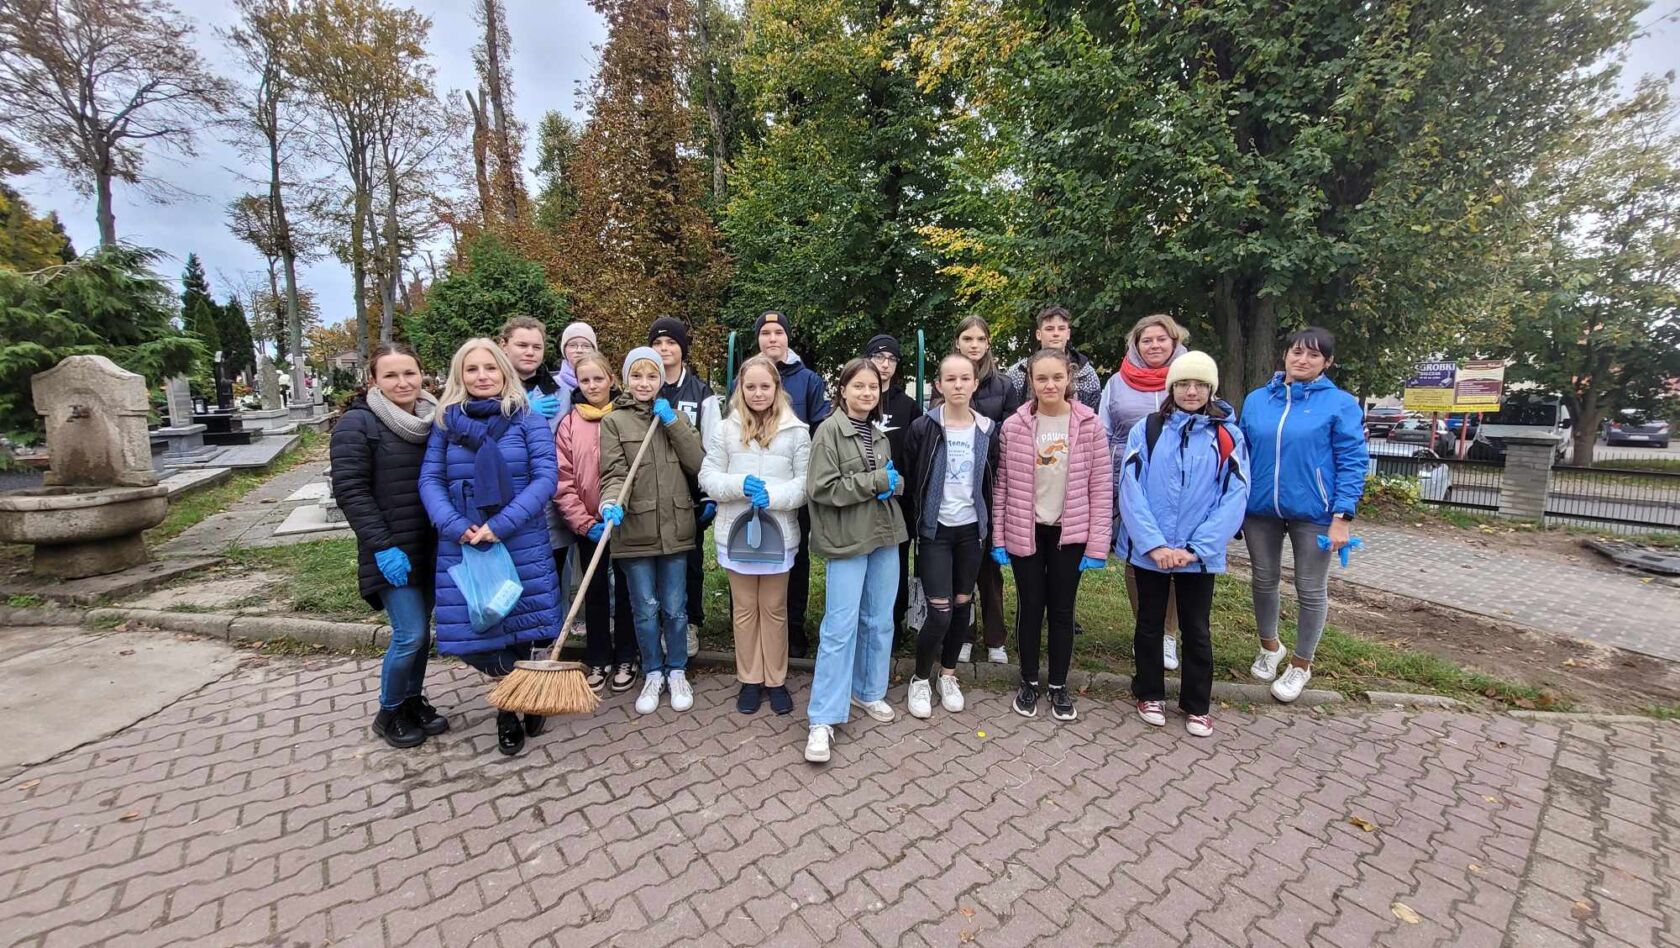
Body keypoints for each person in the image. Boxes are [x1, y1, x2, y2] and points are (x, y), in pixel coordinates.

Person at [419, 338, 562, 757]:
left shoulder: (527, 419)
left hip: (519, 537)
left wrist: (501, 525)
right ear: (459, 376)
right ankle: (518, 690)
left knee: (523, 625)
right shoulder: (445, 424)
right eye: (472, 369)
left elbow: (545, 477)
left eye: (490, 368)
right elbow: (430, 480)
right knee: (477, 633)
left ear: (504, 372)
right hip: (465, 540)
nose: (482, 376)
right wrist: (455, 525)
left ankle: (514, 707)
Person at [1117, 352, 1249, 738]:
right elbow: (1130, 487)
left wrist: (1196, 548)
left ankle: (1196, 704)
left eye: (1200, 385)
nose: (1191, 391)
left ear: (1211, 389)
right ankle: (1149, 693)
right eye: (1183, 384)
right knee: (1149, 624)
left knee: (1196, 629)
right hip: (1151, 552)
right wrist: (1154, 544)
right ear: (1171, 388)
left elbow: (1235, 495)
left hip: (1199, 556)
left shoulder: (1228, 436)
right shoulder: (1148, 429)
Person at [1239, 327, 1368, 703]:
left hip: (1316, 512)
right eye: (1297, 352)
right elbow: (1241, 453)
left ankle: (1300, 664)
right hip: (1260, 508)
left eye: (1314, 355)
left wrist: (1342, 516)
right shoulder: (1258, 400)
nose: (1303, 360)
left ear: (1327, 362)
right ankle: (1270, 647)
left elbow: (1353, 460)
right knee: (1263, 579)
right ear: (1285, 355)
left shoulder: (1339, 404)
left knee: (1310, 588)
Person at [332, 343, 444, 749]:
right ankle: (389, 711)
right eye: (391, 375)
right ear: (373, 380)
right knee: (409, 634)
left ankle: (412, 700)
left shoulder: (433, 419)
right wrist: (381, 546)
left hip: (428, 545)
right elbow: (350, 490)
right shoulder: (357, 425)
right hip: (391, 548)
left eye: (409, 373)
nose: (402, 382)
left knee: (423, 633)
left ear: (421, 375)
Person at [992, 348, 1111, 722]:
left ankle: (1058, 684)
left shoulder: (1089, 424)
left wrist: (1097, 544)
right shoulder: (1014, 426)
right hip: (1026, 530)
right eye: (1041, 378)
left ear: (1069, 378)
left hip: (1069, 533)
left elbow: (1101, 486)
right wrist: (999, 538)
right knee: (1030, 608)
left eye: (1057, 377)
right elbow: (1002, 486)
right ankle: (1028, 681)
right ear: (1030, 380)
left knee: (1061, 610)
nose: (1050, 385)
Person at [803, 359, 907, 763]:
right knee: (839, 627)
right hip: (847, 539)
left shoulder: (878, 434)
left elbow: (886, 479)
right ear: (843, 390)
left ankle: (867, 691)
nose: (867, 393)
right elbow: (821, 487)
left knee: (879, 620)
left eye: (873, 387)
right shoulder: (828, 431)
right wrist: (878, 481)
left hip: (883, 534)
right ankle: (823, 718)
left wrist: (895, 483)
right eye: (859, 386)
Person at [698, 354, 811, 716]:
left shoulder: (796, 431)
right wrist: (738, 485)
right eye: (751, 386)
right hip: (737, 533)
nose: (758, 393)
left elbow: (805, 484)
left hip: (779, 535)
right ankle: (749, 678)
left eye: (765, 386)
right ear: (740, 389)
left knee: (774, 609)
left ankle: (775, 680)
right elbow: (707, 476)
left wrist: (773, 496)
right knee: (745, 610)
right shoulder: (725, 430)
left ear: (777, 388)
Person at [600, 346, 706, 715]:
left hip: (676, 529)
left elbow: (697, 463)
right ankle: (652, 672)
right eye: (636, 375)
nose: (644, 383)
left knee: (675, 608)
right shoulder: (614, 422)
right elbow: (614, 473)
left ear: (661, 379)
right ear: (625, 379)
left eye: (651, 376)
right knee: (644, 609)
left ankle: (677, 670)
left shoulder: (677, 416)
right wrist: (609, 502)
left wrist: (673, 423)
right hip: (635, 530)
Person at [900, 353, 997, 719]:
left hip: (971, 532)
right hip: (935, 531)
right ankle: (920, 679)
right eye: (950, 379)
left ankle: (949, 675)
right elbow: (912, 477)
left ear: (975, 384)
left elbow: (992, 479)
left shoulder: (987, 430)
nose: (958, 385)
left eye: (964, 379)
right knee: (939, 612)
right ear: (938, 385)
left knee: (961, 606)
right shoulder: (923, 427)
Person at [1098, 314, 1191, 673]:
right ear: (1136, 345)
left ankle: (1168, 634)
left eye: (1161, 339)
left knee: (1175, 558)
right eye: (1146, 340)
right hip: (1130, 480)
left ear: (1174, 342)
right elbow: (1103, 432)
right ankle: (1145, 630)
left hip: (1179, 484)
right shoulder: (1117, 382)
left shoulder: (1190, 377)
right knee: (1138, 555)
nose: (1154, 345)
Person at [748, 310, 831, 658]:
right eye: (765, 333)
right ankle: (757, 626)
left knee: (795, 555)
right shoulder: (746, 378)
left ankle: (793, 625)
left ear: (787, 338)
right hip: (755, 486)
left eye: (778, 332)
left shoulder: (808, 380)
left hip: (795, 486)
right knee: (755, 552)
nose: (772, 338)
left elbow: (820, 430)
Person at [553, 351, 637, 694]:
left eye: (598, 378)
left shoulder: (627, 416)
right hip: (590, 524)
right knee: (596, 590)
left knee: (629, 590)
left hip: (627, 523)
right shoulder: (569, 424)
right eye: (584, 380)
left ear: (611, 379)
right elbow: (563, 481)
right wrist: (585, 524)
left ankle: (627, 656)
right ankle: (598, 656)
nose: (592, 385)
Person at [648, 315, 718, 658]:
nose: (664, 349)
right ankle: (659, 624)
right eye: (657, 343)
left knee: (690, 561)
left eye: (671, 343)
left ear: (682, 349)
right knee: (652, 561)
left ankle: (689, 623)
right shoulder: (645, 386)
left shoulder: (701, 393)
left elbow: (713, 446)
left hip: (689, 493)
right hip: (650, 491)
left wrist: (709, 494)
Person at [952, 316, 1019, 665]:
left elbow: (1010, 433)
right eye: (968, 338)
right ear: (958, 342)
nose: (974, 344)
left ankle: (995, 639)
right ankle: (963, 634)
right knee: (960, 567)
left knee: (990, 571)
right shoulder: (948, 378)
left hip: (991, 484)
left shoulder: (1004, 385)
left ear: (988, 343)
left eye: (980, 338)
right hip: (956, 485)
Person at [500, 316, 575, 626]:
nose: (530, 352)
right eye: (522, 345)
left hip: (550, 502)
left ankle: (550, 642)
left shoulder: (560, 392)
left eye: (537, 346)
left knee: (551, 579)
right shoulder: (489, 387)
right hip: (506, 502)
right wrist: (518, 411)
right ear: (504, 345)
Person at [866, 334, 923, 642]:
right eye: (879, 357)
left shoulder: (908, 407)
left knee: (896, 563)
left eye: (891, 359)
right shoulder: (859, 399)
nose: (885, 364)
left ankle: (894, 622)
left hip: (896, 502)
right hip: (861, 500)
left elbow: (914, 455)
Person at [1005, 306, 1102, 411]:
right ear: (1038, 334)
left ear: (1068, 334)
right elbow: (1011, 414)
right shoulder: (1019, 373)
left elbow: (1095, 414)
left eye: (1061, 329)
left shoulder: (1087, 374)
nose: (1056, 333)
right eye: (1049, 329)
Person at [557, 321, 598, 394]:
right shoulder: (553, 386)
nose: (579, 350)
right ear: (564, 349)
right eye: (572, 345)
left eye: (586, 346)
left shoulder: (605, 384)